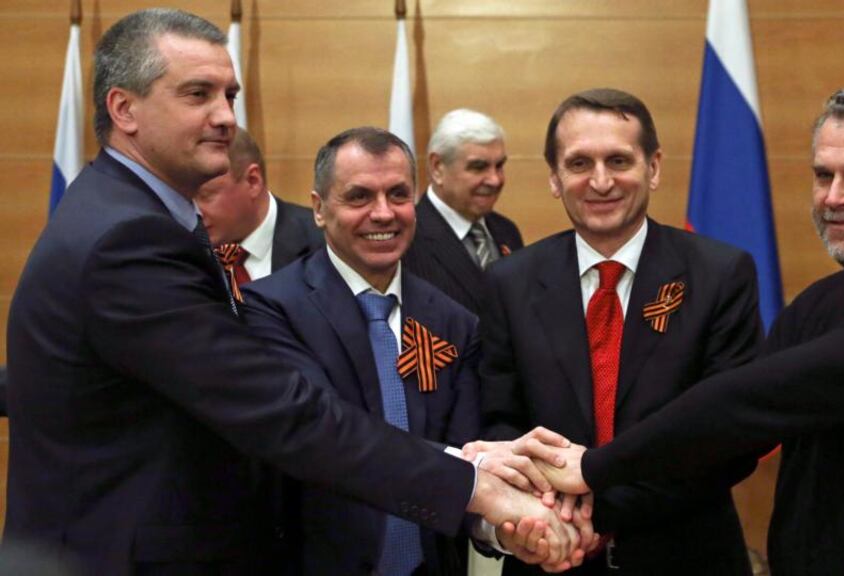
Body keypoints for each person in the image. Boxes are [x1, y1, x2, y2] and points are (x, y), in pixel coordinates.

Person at [5, 9, 576, 574]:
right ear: (124, 109)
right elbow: (284, 413)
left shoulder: (121, 211)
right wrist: (472, 484)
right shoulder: (128, 238)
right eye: (197, 94)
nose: (225, 116)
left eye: (228, 94)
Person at [529, 85, 844, 575]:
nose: (834, 197)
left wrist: (592, 469)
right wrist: (587, 509)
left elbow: (746, 402)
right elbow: (723, 430)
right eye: (823, 174)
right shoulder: (820, 303)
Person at [476, 88, 761, 575]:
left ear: (653, 168)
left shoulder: (720, 275)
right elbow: (499, 421)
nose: (601, 181)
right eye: (579, 163)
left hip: (685, 557)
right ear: (554, 178)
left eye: (618, 160)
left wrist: (590, 509)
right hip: (549, 556)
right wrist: (532, 509)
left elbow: (728, 437)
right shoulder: (509, 282)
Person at [242, 127, 481, 575]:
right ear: (318, 208)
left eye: (398, 194)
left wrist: (498, 526)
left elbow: (467, 449)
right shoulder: (271, 309)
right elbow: (319, 439)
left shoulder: (455, 322)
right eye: (359, 197)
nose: (383, 213)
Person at [404, 109, 523, 315]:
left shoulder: (507, 231)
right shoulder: (406, 240)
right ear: (437, 167)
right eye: (479, 167)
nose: (495, 180)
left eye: (499, 166)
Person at [195, 127, 322, 290]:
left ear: (252, 181)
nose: (195, 211)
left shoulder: (326, 245)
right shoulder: (182, 251)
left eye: (205, 196)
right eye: (185, 197)